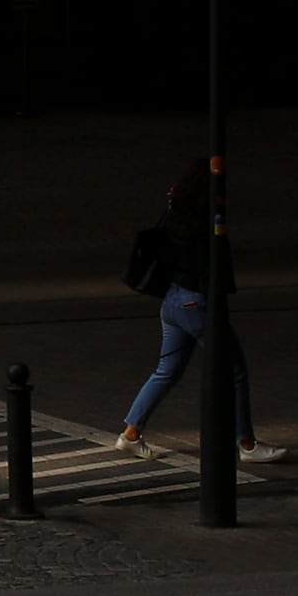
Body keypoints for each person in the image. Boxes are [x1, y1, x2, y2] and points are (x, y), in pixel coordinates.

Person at [118, 161, 259, 460]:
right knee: (234, 370)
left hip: (172, 299)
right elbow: (209, 266)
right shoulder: (205, 220)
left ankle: (131, 433)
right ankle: (247, 443)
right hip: (194, 303)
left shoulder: (176, 210)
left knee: (166, 371)